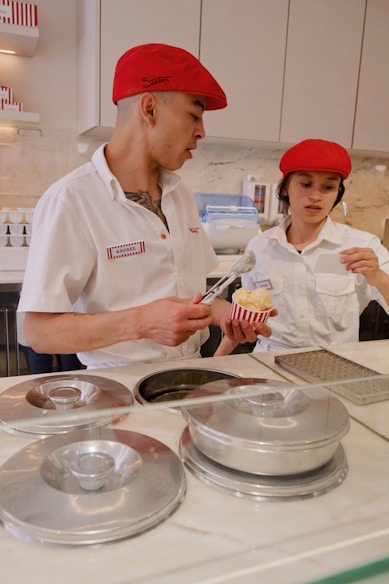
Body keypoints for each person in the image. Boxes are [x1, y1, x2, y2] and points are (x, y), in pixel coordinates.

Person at [18, 43, 273, 369]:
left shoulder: (180, 196)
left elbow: (196, 298)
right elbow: (39, 332)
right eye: (194, 115)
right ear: (149, 108)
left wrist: (233, 316)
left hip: (189, 378)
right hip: (117, 388)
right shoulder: (71, 200)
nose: (202, 132)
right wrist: (140, 322)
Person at [216, 138, 389, 355]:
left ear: (337, 194)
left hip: (334, 366)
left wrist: (378, 277)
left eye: (328, 187)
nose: (316, 196)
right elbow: (245, 317)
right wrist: (214, 364)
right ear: (286, 187)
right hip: (270, 364)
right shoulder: (260, 247)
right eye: (306, 184)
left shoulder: (362, 246)